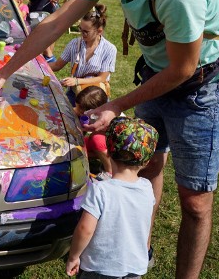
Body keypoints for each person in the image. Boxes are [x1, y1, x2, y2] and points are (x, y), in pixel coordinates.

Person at [0, 0, 219, 279]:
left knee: (194, 201)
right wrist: (3, 74)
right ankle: (140, 250)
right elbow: (55, 22)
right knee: (150, 167)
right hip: (158, 77)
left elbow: (184, 69)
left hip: (202, 89)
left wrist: (118, 104)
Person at [66, 117, 159, 278]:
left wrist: (74, 256)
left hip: (99, 268)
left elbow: (85, 229)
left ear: (109, 150)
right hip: (134, 267)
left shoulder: (100, 190)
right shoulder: (147, 188)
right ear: (146, 161)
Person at [48, 4, 117, 105]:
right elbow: (57, 65)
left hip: (96, 96)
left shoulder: (110, 49)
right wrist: (36, 66)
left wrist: (76, 81)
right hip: (76, 92)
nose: (81, 34)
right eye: (80, 29)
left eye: (86, 32)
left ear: (99, 31)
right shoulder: (74, 44)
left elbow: (102, 78)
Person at [74, 86, 112, 178]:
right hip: (101, 143)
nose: (76, 109)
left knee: (97, 140)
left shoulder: (107, 119)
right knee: (76, 149)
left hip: (112, 144)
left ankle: (110, 171)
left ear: (92, 111)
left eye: (79, 109)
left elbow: (103, 136)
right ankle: (99, 156)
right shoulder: (91, 114)